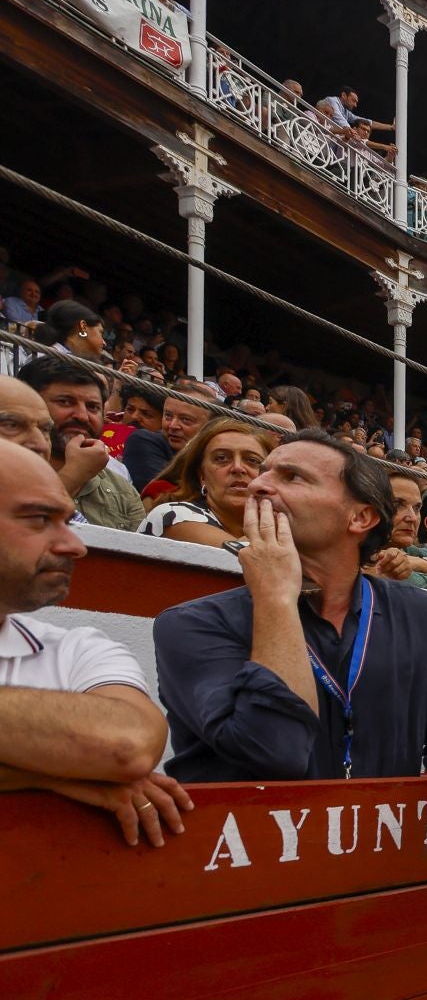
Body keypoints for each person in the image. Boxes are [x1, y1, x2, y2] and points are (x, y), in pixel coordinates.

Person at [155, 431, 427, 835]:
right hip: (246, 873)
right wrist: (275, 597)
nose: (257, 483)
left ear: (360, 517)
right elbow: (276, 750)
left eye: (291, 477)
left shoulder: (422, 614)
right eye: (264, 471)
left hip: (375, 863)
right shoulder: (191, 623)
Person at [0, 441, 190, 847]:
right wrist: (49, 769)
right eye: (38, 519)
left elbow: (127, 745)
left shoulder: (74, 648)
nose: (76, 546)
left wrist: (31, 775)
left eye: (68, 521)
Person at [17, 357, 143, 530]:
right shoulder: (8, 469)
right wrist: (73, 475)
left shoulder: (122, 489)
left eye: (93, 407)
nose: (83, 416)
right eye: (65, 402)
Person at [138, 421, 277, 546]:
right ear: (202, 475)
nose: (238, 468)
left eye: (252, 460)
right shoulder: (172, 515)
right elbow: (244, 557)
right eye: (221, 458)